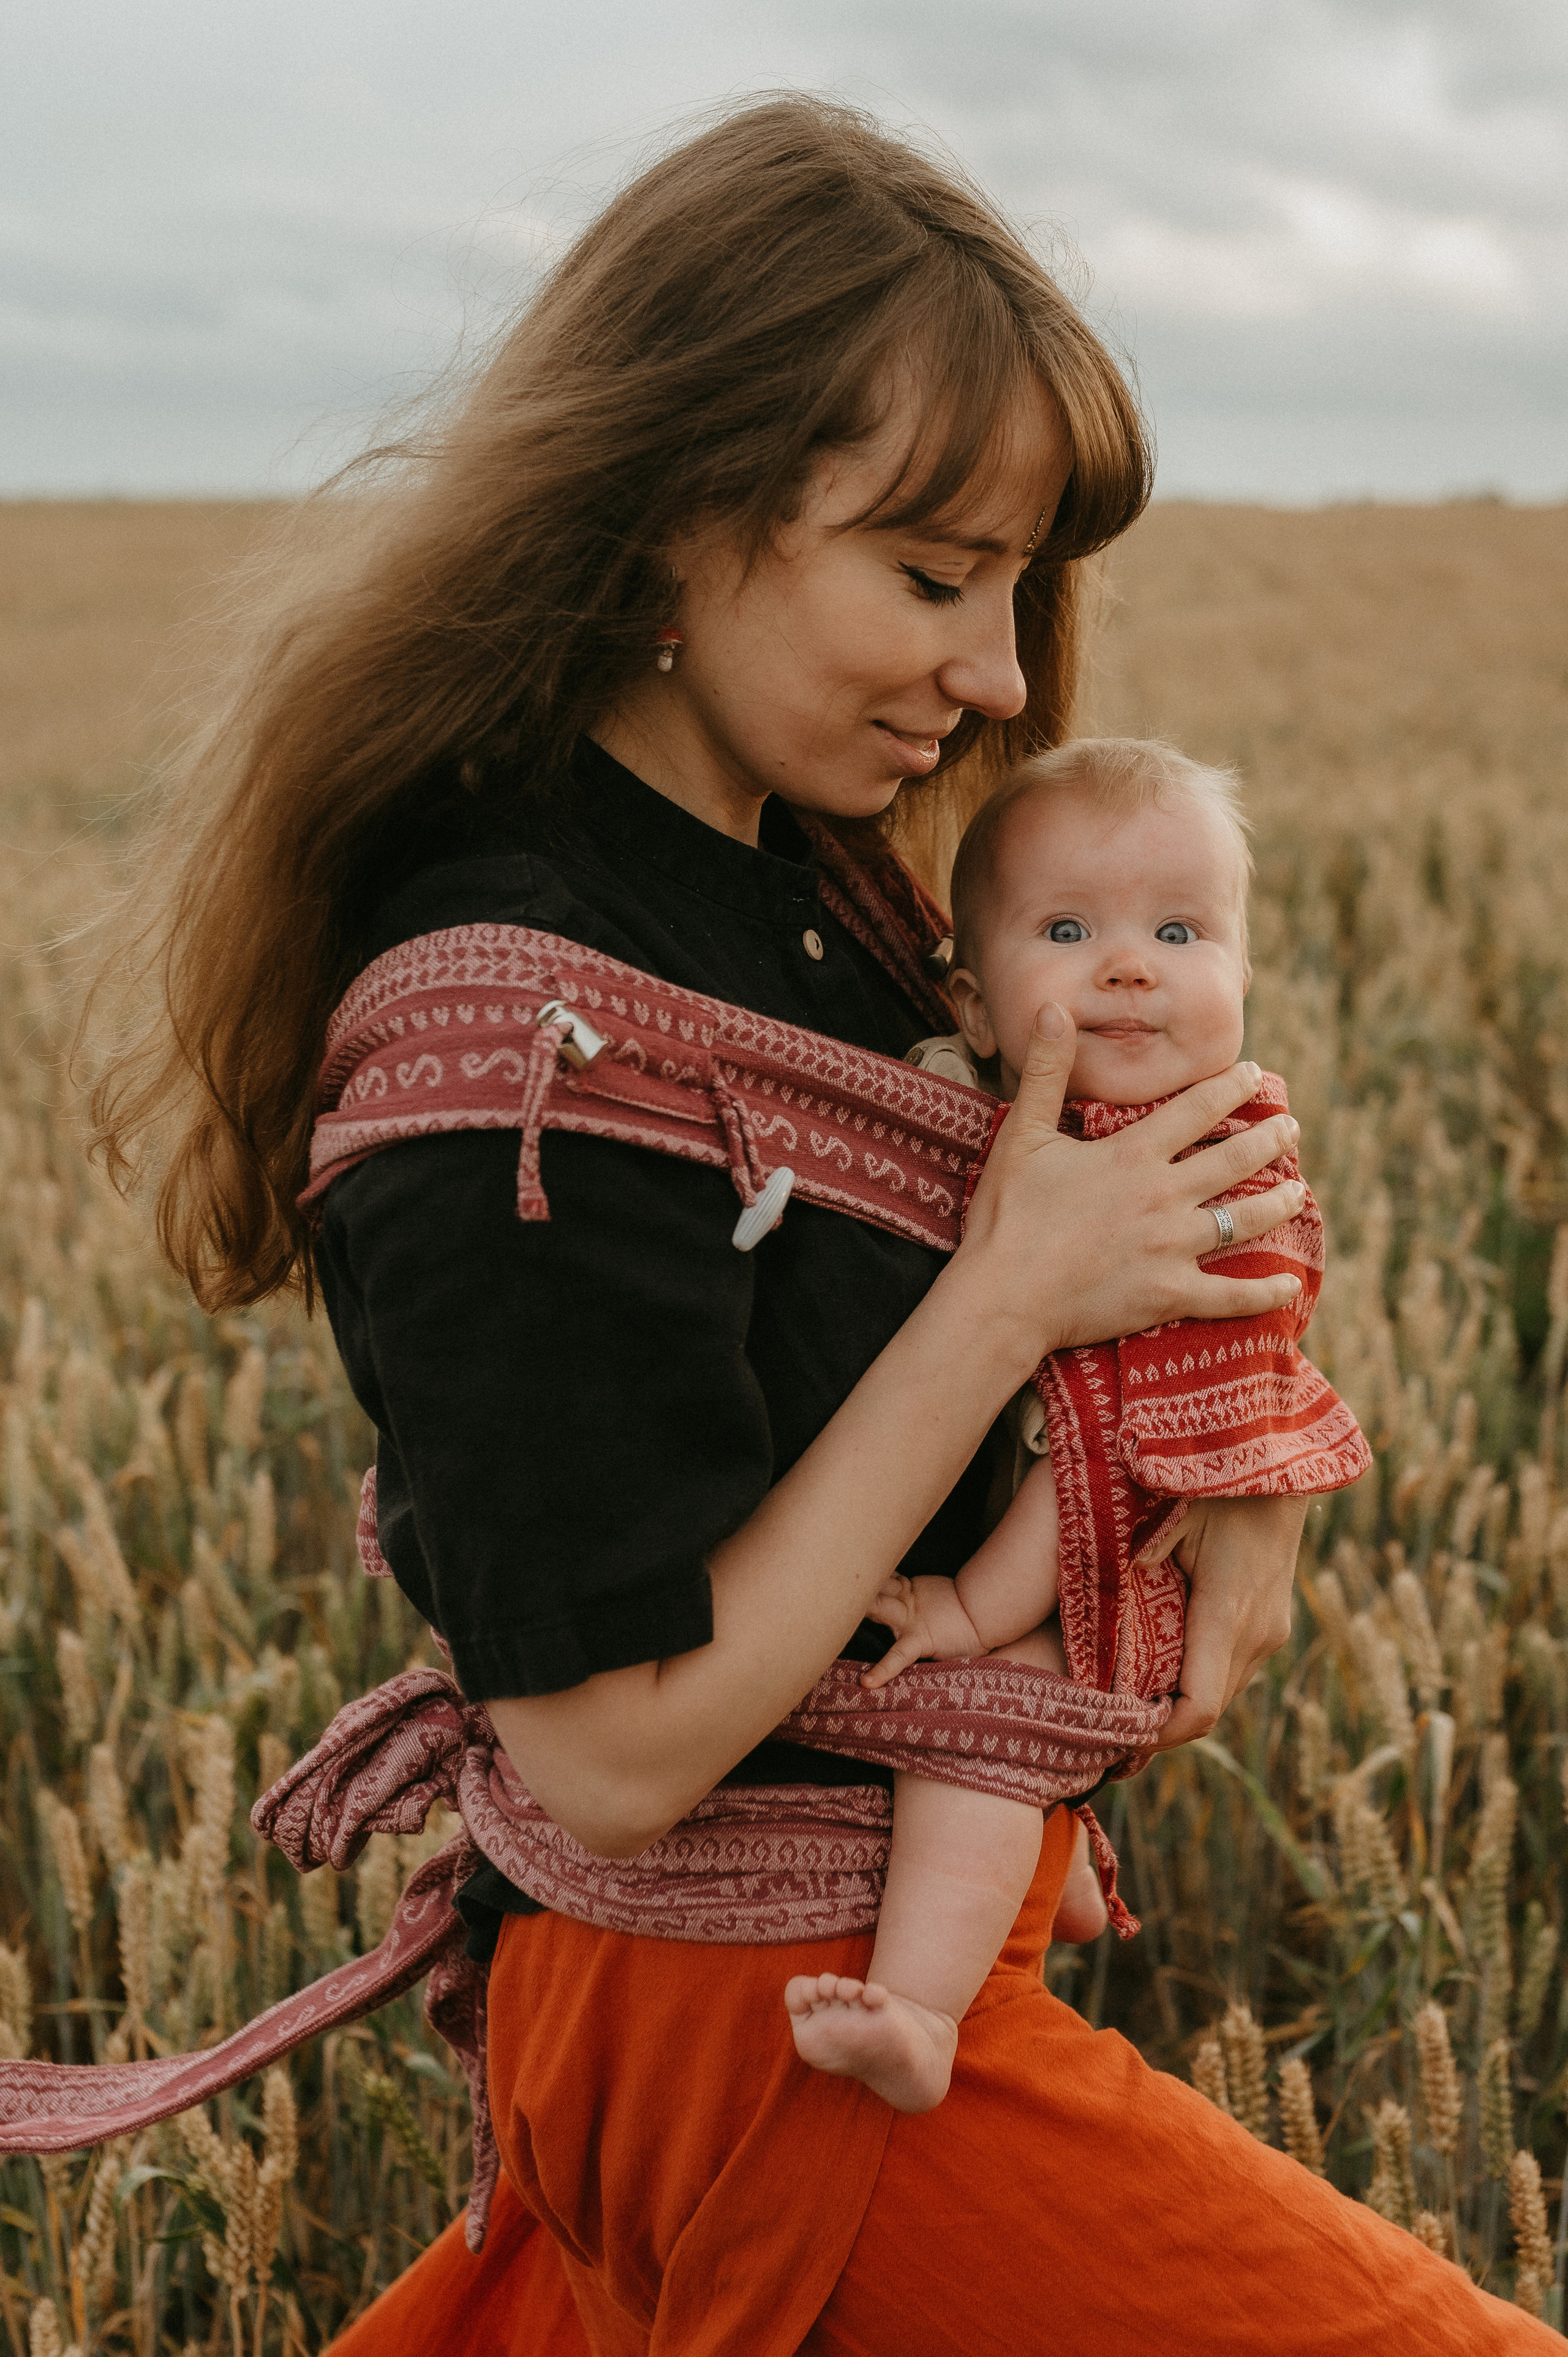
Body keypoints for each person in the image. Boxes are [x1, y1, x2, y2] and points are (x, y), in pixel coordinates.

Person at [93, 94, 1553, 2357]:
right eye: (931, 573)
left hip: (842, 1988)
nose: (994, 675)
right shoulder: (524, 1034)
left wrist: (1239, 1470)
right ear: (678, 521)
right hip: (752, 2019)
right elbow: (610, 1747)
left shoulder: (809, 912)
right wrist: (1010, 1299)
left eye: (1017, 590)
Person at [783, 737, 1371, 2114]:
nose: (1126, 965)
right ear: (976, 1010)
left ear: (1241, 978)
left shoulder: (1209, 1177)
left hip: (1115, 1554)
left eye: (1177, 931)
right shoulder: (973, 1104)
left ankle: (921, 2011)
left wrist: (970, 1608)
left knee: (981, 1725)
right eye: (1066, 931)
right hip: (1040, 1492)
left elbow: (1123, 1449)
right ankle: (1051, 1862)